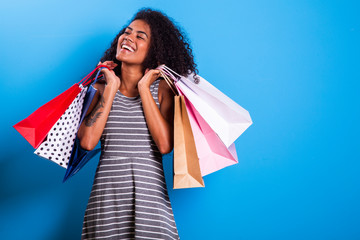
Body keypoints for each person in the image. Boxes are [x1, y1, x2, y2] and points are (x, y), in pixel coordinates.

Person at [78, 8, 197, 240]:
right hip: (106, 202)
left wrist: (144, 88)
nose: (128, 38)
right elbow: (87, 142)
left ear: (155, 50)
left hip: (149, 202)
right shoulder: (100, 89)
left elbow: (164, 146)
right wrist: (110, 88)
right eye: (127, 32)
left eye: (140, 36)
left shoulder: (163, 90)